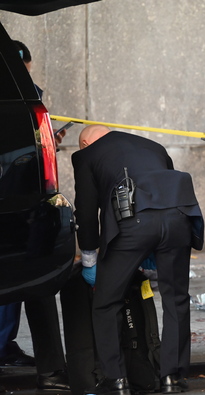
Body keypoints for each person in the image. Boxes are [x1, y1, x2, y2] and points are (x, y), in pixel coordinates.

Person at [72, 125, 203, 395]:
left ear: (85, 143)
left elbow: (86, 211)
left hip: (132, 224)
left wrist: (89, 258)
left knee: (106, 302)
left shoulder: (86, 156)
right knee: (176, 299)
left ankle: (116, 379)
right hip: (179, 220)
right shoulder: (153, 146)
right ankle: (173, 377)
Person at [0, 40, 70, 393]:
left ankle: (16, 352)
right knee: (28, 281)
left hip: (23, 202)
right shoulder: (24, 103)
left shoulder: (25, 103)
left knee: (25, 279)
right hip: (24, 201)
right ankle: (51, 372)